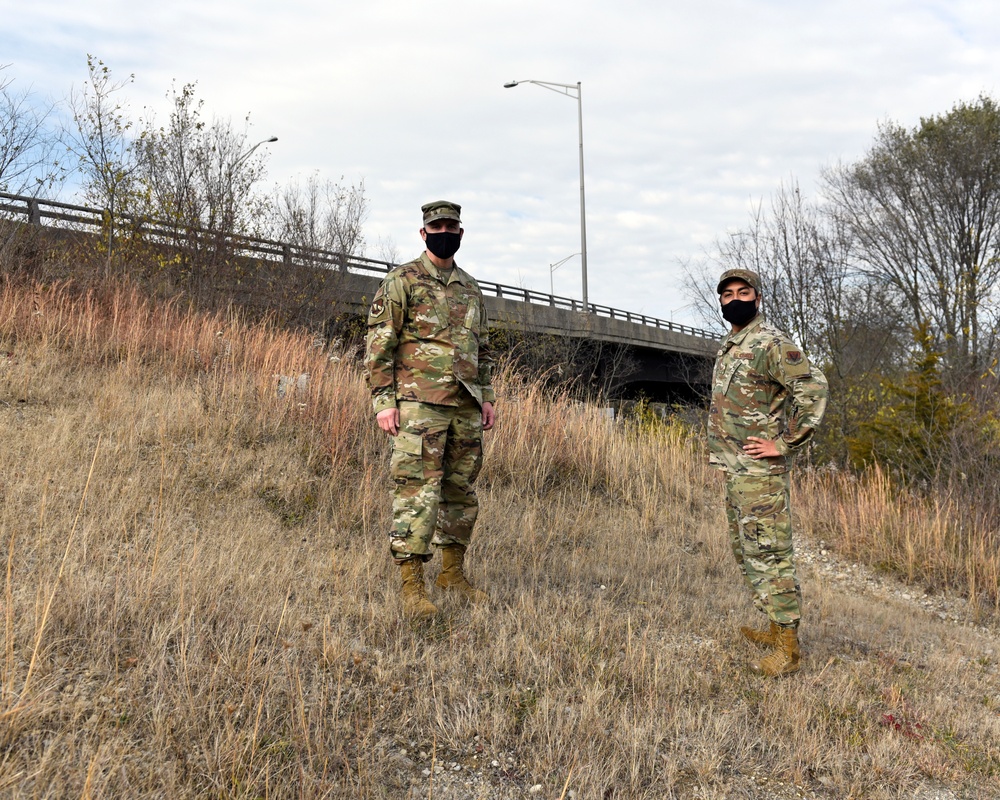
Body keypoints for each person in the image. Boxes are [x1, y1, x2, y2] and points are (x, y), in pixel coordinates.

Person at [364, 200, 496, 618]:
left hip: (465, 407)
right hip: (419, 406)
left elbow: (482, 348)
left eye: (451, 226)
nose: (445, 232)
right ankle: (411, 588)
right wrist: (384, 402)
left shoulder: (471, 289)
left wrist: (487, 396)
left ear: (461, 232)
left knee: (461, 492)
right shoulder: (401, 280)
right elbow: (379, 344)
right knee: (417, 493)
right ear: (423, 233)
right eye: (436, 226)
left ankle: (452, 573)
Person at [707, 268, 828, 676]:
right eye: (727, 294)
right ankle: (776, 628)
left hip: (761, 473)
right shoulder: (733, 343)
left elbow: (812, 389)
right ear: (721, 301)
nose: (735, 299)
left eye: (744, 292)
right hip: (737, 469)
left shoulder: (771, 343)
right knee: (749, 552)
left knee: (771, 555)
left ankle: (789, 648)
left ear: (757, 299)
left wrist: (786, 444)